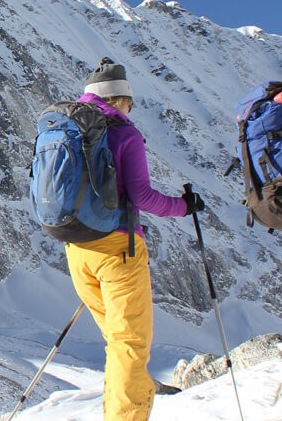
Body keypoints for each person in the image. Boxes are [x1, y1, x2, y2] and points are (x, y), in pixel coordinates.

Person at [64, 58, 201, 421]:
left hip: (77, 249)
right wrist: (184, 207)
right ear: (119, 99)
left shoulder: (67, 127)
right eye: (129, 101)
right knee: (130, 345)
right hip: (117, 251)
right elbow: (143, 197)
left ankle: (117, 412)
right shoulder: (124, 133)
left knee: (117, 342)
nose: (130, 107)